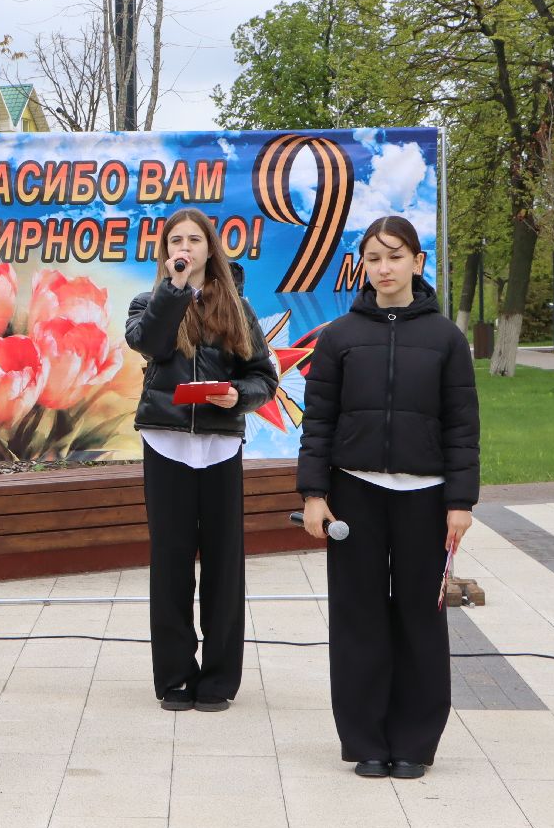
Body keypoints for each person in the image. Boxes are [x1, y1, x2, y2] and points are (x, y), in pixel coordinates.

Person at [297, 215, 479, 780]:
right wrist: (313, 494)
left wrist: (460, 502)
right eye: (374, 257)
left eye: (395, 256)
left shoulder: (445, 338)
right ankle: (365, 741)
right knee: (359, 619)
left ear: (418, 262)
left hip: (425, 499)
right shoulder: (339, 337)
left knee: (421, 619)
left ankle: (415, 742)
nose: (384, 267)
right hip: (355, 497)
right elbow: (319, 421)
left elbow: (461, 426)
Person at [125, 207, 278, 712]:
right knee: (169, 565)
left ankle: (218, 680)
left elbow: (263, 377)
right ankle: (173, 677)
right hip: (166, 446)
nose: (184, 248)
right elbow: (148, 341)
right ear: (165, 251)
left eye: (194, 240)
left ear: (211, 248)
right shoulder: (149, 302)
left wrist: (239, 395)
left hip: (219, 449)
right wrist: (175, 291)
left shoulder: (237, 309)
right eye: (175, 241)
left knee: (223, 566)